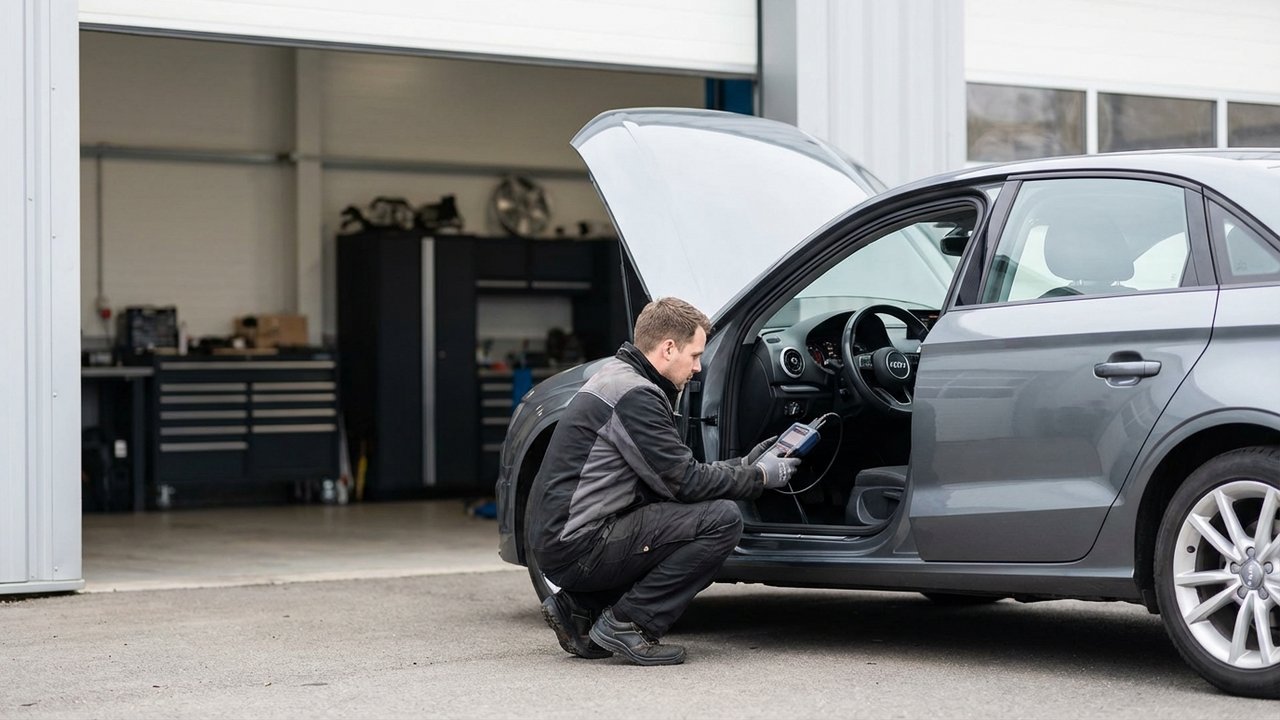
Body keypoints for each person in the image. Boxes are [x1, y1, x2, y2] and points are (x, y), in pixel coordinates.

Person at [528, 297, 801, 666]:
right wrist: (758, 478)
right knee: (720, 520)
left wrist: (746, 463)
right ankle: (629, 624)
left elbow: (671, 474)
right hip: (580, 546)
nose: (699, 367)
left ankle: (578, 608)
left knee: (680, 518)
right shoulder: (636, 394)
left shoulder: (617, 377)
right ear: (668, 348)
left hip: (567, 541)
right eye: (694, 355)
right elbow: (685, 483)